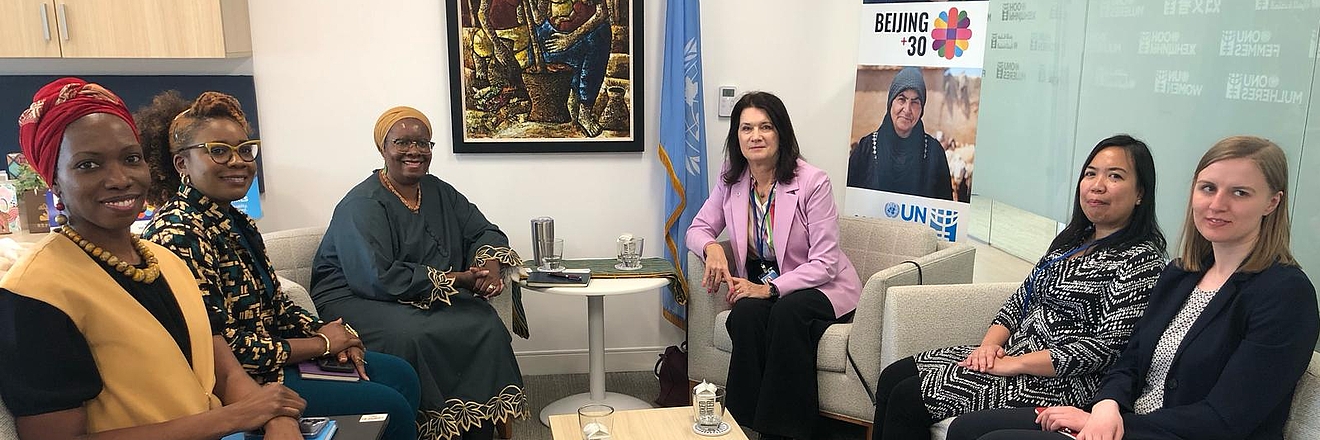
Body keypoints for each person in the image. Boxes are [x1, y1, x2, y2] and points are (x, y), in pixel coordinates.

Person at [949, 136, 1320, 440]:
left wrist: (1109, 422)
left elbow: (1225, 419)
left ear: (1273, 202)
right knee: (969, 429)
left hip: (1170, 434)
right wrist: (1106, 406)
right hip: (1123, 422)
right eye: (1208, 188)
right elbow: (1129, 360)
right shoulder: (1182, 274)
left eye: (1240, 193)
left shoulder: (1286, 294)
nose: (1217, 204)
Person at [0, 77, 305, 439]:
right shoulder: (35, 294)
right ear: (54, 182)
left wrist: (278, 419)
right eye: (88, 165)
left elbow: (225, 373)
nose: (119, 178)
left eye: (131, 159)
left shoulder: (166, 261)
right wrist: (234, 417)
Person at [136, 91, 422, 440]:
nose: (238, 161)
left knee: (401, 374)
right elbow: (222, 349)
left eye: (244, 149)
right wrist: (321, 345)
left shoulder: (236, 222)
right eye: (219, 151)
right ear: (182, 164)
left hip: (276, 361)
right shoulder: (178, 232)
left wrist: (337, 335)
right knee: (389, 406)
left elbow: (277, 307)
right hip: (243, 382)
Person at [872, 135, 1168, 440]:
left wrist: (1014, 364)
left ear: (1140, 193)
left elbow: (1103, 350)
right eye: (1090, 173)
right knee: (894, 376)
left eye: (1115, 176)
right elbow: (1019, 301)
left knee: (909, 399)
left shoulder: (1141, 261)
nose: (1097, 184)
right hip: (1013, 356)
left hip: (1061, 383)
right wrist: (988, 347)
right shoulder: (1073, 241)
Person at [310, 106, 526, 440]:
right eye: (403, 142)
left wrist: (489, 268)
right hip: (356, 296)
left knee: (483, 321)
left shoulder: (438, 191)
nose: (415, 151)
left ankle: (474, 427)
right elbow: (376, 276)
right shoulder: (362, 203)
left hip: (421, 291)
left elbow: (484, 231)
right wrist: (459, 279)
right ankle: (426, 427)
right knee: (413, 334)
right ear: (383, 148)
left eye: (423, 143)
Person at [686, 91, 863, 440]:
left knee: (785, 313)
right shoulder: (732, 178)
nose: (755, 136)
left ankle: (785, 434)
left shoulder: (812, 182)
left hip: (822, 286)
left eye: (765, 127)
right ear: (736, 136)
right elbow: (697, 229)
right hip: (766, 286)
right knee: (746, 316)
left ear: (781, 133)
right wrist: (713, 249)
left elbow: (826, 262)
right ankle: (738, 425)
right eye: (746, 128)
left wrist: (769, 289)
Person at [847, 66, 954, 200]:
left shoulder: (934, 153)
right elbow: (848, 201)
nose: (907, 109)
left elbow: (944, 209)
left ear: (922, 109)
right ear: (891, 103)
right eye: (901, 99)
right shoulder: (866, 149)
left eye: (915, 102)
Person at [531, 0, 611, 137]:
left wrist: (569, 40)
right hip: (555, 35)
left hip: (584, 35)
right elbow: (539, 18)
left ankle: (585, 111)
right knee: (537, 37)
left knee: (601, 35)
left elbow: (602, 13)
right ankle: (566, 96)